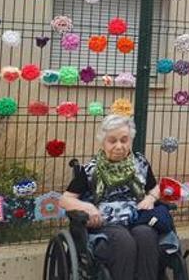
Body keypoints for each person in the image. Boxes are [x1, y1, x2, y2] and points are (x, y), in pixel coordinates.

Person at [59, 115, 170, 280]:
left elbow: (155, 189)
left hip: (137, 217)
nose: (119, 146)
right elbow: (65, 200)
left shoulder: (140, 163)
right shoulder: (90, 170)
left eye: (124, 140)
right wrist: (87, 207)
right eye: (112, 141)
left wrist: (150, 199)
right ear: (103, 142)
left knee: (146, 236)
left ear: (130, 140)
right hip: (105, 221)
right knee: (124, 242)